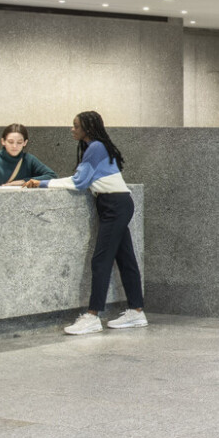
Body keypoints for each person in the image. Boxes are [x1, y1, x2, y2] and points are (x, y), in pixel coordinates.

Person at [29, 111, 146, 333]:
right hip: (118, 204)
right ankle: (137, 311)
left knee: (101, 260)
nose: (72, 129)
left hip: (113, 205)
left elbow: (79, 182)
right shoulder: (98, 146)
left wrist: (43, 183)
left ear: (87, 129)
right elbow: (83, 179)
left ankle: (93, 316)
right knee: (125, 258)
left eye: (76, 126)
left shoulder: (95, 147)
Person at [0, 123, 55, 188]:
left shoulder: (29, 159)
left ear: (25, 143)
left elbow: (52, 176)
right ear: (3, 141)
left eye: (19, 142)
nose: (14, 146)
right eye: (10, 142)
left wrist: (23, 181)